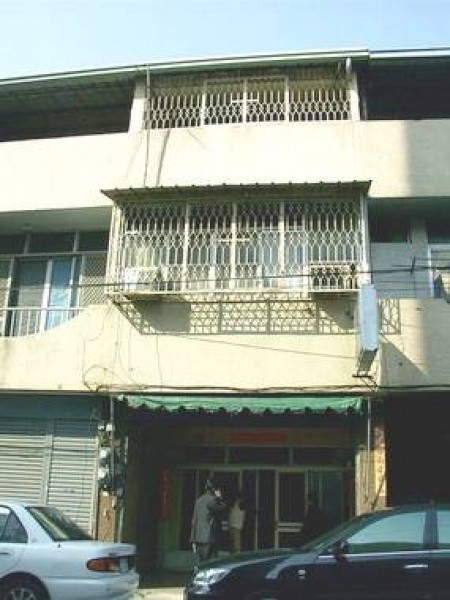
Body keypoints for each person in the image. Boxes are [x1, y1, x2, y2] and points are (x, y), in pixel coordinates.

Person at [190, 479, 227, 564]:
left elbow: (194, 520)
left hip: (198, 537)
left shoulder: (198, 500)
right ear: (214, 489)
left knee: (201, 561)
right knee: (210, 563)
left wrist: (193, 538)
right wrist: (219, 498)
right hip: (209, 537)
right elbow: (223, 508)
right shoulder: (212, 500)